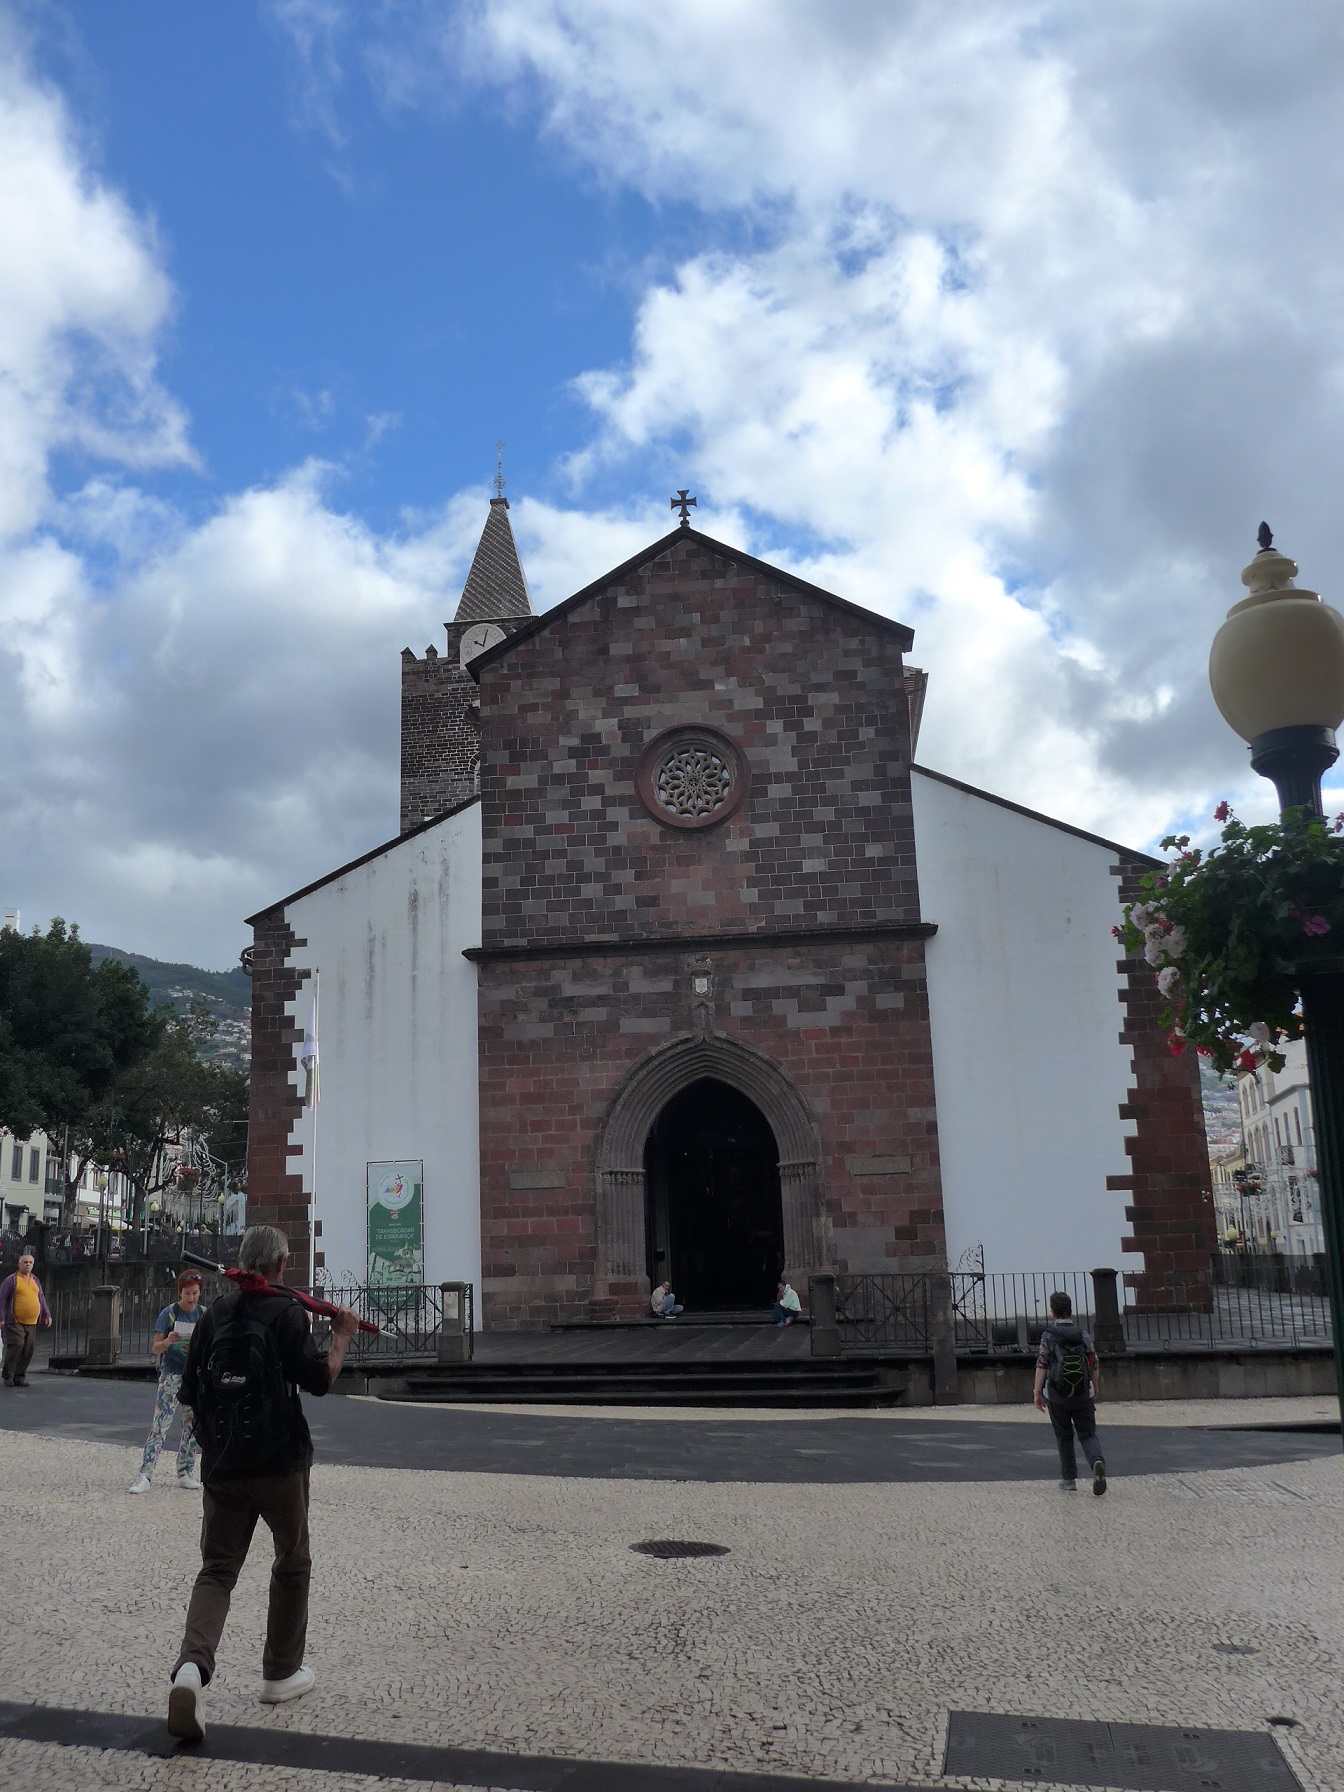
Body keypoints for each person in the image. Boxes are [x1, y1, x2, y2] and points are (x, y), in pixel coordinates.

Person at [165, 1223, 359, 1744]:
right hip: (280, 1463)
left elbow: (189, 1391)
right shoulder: (286, 1312)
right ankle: (280, 1673)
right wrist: (341, 1334)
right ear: (280, 1265)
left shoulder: (215, 1314)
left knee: (217, 1570)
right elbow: (319, 1380)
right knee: (291, 1560)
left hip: (223, 1465)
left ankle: (191, 1671)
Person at [128, 1269, 206, 1494]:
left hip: (193, 1375)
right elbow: (155, 1347)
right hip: (171, 1374)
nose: (191, 1298)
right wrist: (168, 1342)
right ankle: (146, 1474)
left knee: (191, 1426)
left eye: (195, 1293)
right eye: (187, 1294)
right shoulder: (169, 1313)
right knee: (160, 1425)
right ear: (180, 1292)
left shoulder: (203, 1314)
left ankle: (185, 1471)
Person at [1033, 1290, 1107, 1496]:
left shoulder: (1048, 1336)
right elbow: (1093, 1362)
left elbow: (1042, 1364)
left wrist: (1037, 1392)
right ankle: (1097, 1462)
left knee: (1064, 1436)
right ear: (1071, 1311)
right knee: (1088, 1433)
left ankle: (1069, 1480)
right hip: (1082, 1393)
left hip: (1057, 1394)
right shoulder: (1083, 1335)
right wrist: (1095, 1387)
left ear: (1052, 1312)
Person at [1, 1250, 52, 1386]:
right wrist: (2, 1318)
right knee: (17, 1345)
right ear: (19, 1265)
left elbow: (41, 1298)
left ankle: (19, 1376)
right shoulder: (11, 1280)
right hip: (14, 1321)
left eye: (30, 1262)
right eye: (25, 1262)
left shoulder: (35, 1280)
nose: (28, 1264)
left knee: (28, 1348)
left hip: (31, 1322)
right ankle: (8, 1375)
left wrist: (47, 1314)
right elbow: (2, 1299)